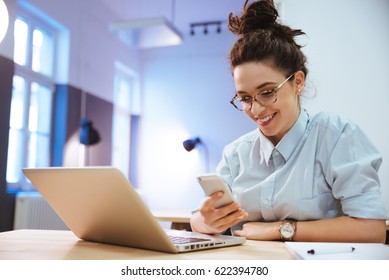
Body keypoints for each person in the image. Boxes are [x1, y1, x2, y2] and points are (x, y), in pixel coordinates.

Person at [190, 0, 388, 243]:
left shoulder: (336, 136)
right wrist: (205, 220)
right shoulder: (236, 154)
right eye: (245, 98)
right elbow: (197, 220)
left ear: (298, 82)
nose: (256, 109)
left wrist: (281, 229)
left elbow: (372, 229)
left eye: (267, 91)